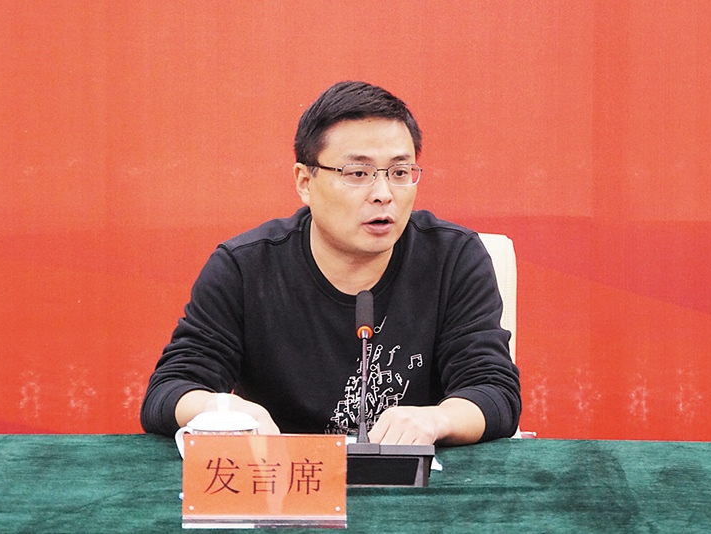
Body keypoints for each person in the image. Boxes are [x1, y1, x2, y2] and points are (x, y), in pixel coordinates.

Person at [140, 81, 521, 446]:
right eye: (358, 174)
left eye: (400, 173)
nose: (383, 194)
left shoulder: (453, 258)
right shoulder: (244, 268)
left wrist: (437, 419)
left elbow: (494, 391)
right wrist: (224, 409)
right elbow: (170, 390)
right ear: (304, 182)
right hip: (286, 480)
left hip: (416, 480)